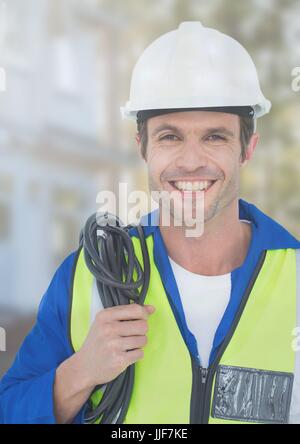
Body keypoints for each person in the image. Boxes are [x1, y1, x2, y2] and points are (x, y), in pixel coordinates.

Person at [0, 21, 299, 425]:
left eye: (214, 137)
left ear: (248, 147)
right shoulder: (86, 277)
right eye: (170, 137)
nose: (191, 161)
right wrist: (80, 373)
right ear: (141, 146)